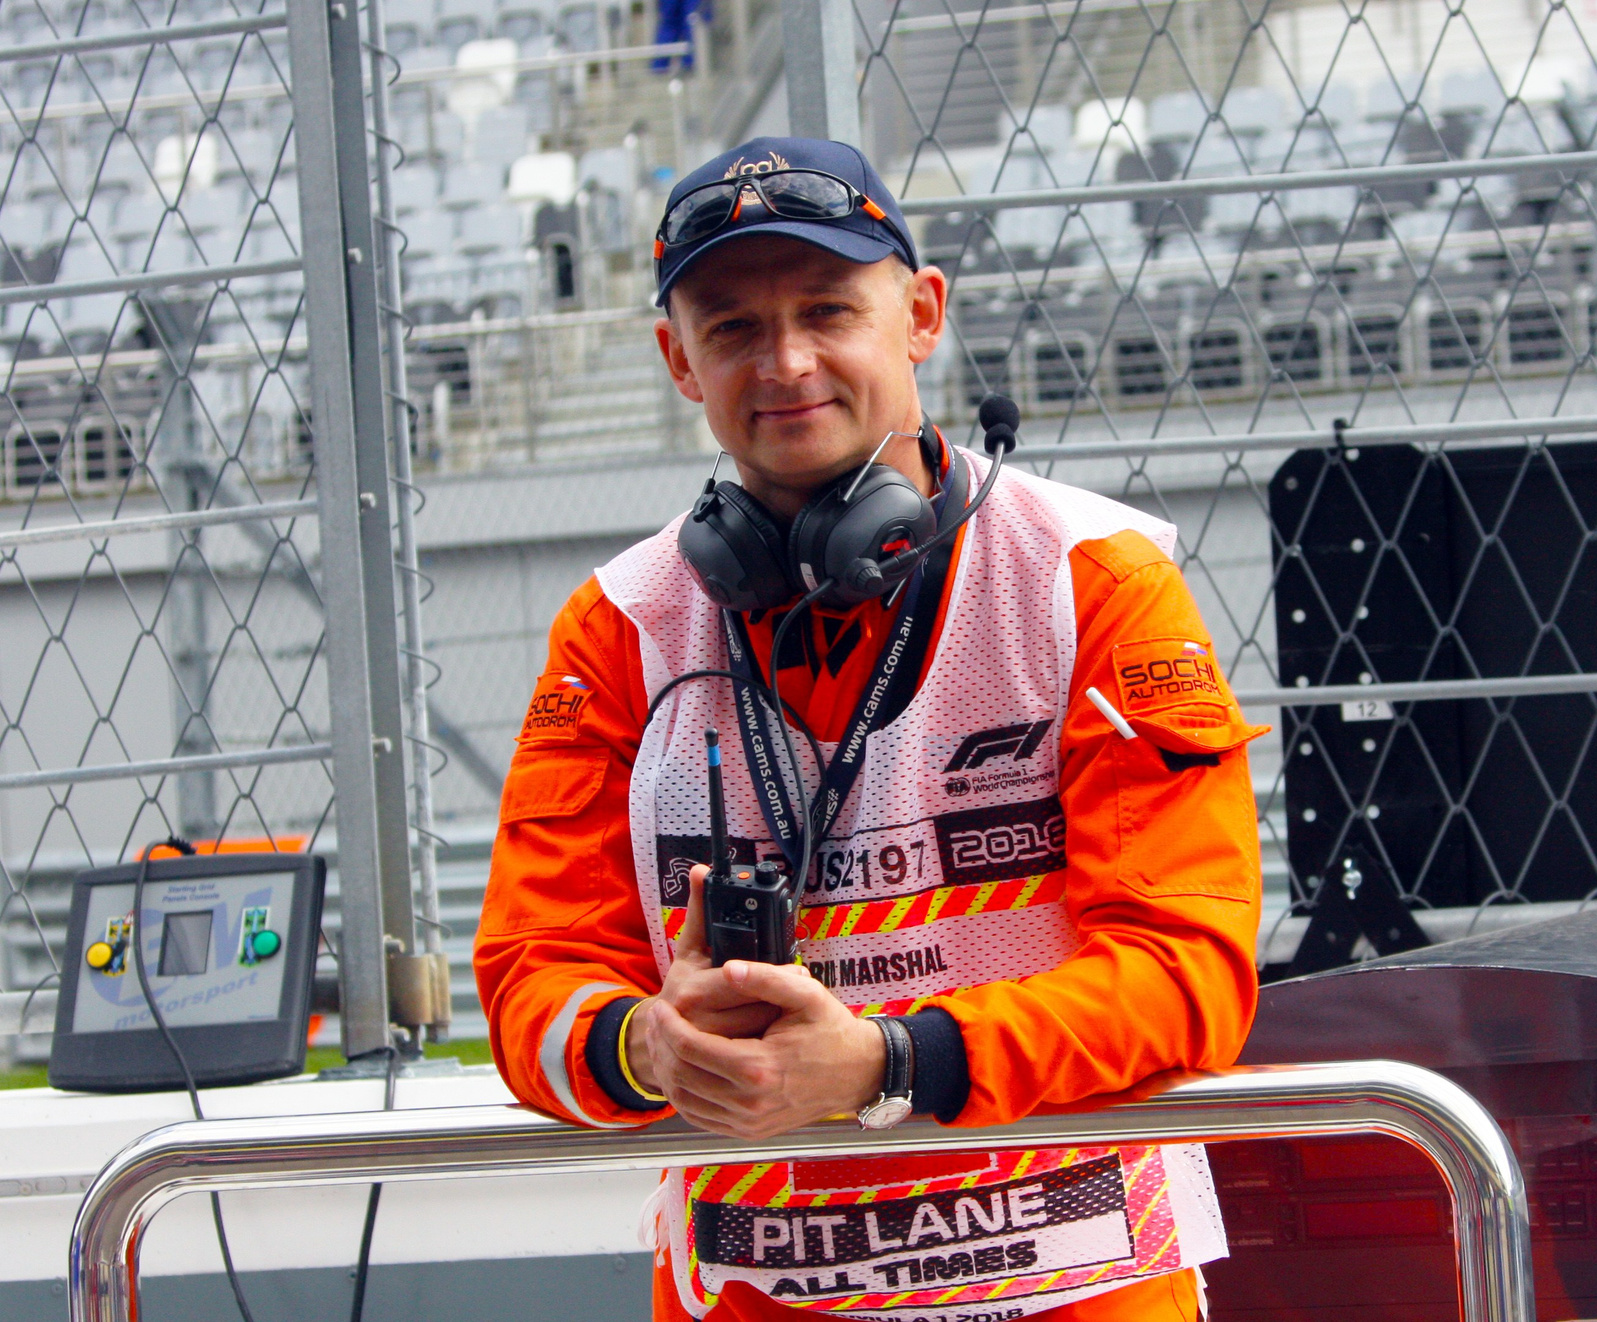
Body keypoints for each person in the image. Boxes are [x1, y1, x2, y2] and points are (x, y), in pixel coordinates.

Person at [475, 136, 1269, 1322]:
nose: (786, 361)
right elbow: (530, 980)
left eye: (828, 310)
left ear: (922, 314)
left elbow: (1187, 973)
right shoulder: (619, 629)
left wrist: (886, 1060)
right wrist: (644, 1045)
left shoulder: (1089, 580)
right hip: (757, 1293)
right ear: (679, 360)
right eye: (733, 326)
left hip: (1077, 1283)